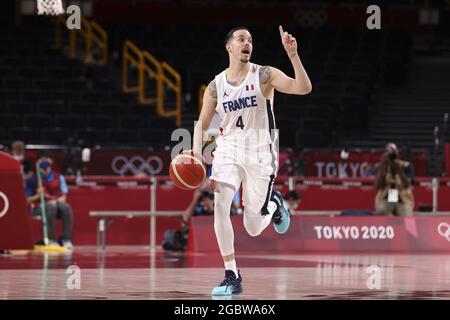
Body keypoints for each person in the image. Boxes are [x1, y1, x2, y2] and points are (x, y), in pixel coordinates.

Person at [191, 26, 312, 295]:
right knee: (220, 206)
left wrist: (293, 55)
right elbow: (202, 124)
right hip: (229, 149)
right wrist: (197, 153)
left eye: (251, 40)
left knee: (253, 226)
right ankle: (231, 274)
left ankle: (274, 202)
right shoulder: (215, 86)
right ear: (229, 47)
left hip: (260, 151)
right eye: (241, 39)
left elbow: (303, 88)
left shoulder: (265, 75)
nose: (247, 43)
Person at [25, 150, 74, 249]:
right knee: (51, 207)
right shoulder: (32, 179)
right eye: (41, 159)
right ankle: (52, 239)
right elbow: (26, 200)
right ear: (37, 162)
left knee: (66, 207)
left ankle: (66, 239)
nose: (44, 161)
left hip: (56, 205)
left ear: (51, 161)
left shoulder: (59, 177)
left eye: (47, 159)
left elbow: (64, 198)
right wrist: (37, 195)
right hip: (39, 209)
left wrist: (55, 201)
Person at [374, 143, 415, 216]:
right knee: (381, 209)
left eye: (392, 152)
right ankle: (392, 224)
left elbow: (407, 185)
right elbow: (377, 186)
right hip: (386, 199)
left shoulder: (406, 165)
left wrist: (398, 169)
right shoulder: (383, 167)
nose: (390, 155)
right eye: (387, 152)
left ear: (397, 153)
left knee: (407, 215)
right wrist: (382, 165)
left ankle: (407, 226)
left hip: (402, 200)